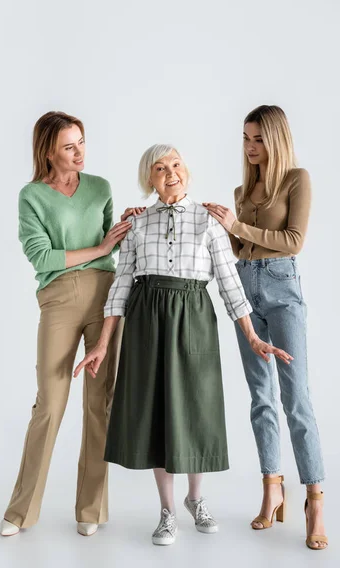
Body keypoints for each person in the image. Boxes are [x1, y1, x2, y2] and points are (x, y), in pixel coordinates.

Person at [74, 143, 292, 546]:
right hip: (146, 317)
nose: (170, 172)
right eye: (159, 168)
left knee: (194, 405)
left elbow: (229, 282)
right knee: (158, 410)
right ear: (149, 179)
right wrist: (103, 343)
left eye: (176, 164)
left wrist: (253, 336)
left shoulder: (208, 221)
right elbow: (121, 285)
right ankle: (168, 511)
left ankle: (196, 498)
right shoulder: (137, 223)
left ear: (186, 172)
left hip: (193, 315)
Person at [0, 111, 144, 537]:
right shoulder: (32, 196)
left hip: (106, 294)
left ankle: (91, 511)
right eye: (69, 146)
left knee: (100, 402)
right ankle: (21, 511)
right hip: (59, 300)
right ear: (48, 151)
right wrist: (99, 247)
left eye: (81, 142)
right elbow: (42, 258)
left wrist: (130, 225)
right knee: (49, 403)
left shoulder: (100, 188)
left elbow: (117, 247)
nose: (79, 152)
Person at [204, 105, 328, 550]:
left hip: (282, 287)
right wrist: (223, 227)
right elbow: (241, 247)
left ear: (275, 139)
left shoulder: (297, 180)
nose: (250, 147)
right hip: (245, 288)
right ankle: (272, 487)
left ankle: (314, 499)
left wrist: (238, 226)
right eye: (245, 138)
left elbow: (294, 240)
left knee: (297, 398)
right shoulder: (242, 189)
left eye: (257, 139)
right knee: (261, 396)